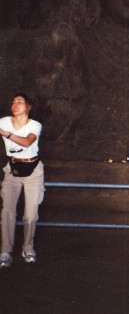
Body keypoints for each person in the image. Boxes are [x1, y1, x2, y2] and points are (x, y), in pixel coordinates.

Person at [0, 93, 44, 268]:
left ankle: (28, 248)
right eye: (13, 102)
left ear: (28, 107)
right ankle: (5, 251)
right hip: (13, 170)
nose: (15, 104)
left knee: (31, 214)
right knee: (7, 212)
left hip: (33, 171)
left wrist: (5, 134)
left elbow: (27, 142)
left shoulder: (35, 125)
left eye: (20, 102)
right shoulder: (3, 121)